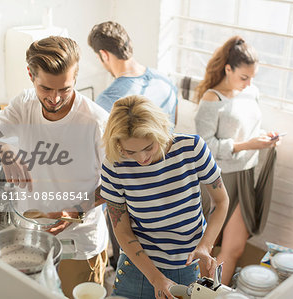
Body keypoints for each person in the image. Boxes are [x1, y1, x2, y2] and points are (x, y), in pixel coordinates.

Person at [0, 36, 109, 298]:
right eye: (46, 89)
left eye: (65, 89)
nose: (55, 98)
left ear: (76, 78)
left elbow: (117, 185)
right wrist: (4, 151)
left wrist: (73, 213)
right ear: (30, 75)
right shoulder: (24, 104)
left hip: (78, 244)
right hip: (31, 237)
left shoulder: (96, 122)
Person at [100, 95, 229, 299]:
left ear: (161, 129)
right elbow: (123, 232)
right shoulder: (114, 165)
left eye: (148, 147)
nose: (141, 158)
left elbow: (221, 201)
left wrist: (205, 245)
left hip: (185, 265)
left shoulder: (192, 149)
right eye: (130, 151)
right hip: (138, 268)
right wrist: (154, 277)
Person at [193, 36, 282, 285]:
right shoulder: (212, 99)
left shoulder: (251, 92)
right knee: (205, 246)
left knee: (234, 248)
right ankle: (199, 290)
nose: (249, 83)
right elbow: (204, 146)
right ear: (228, 69)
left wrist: (265, 138)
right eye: (244, 77)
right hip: (218, 179)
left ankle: (214, 291)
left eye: (252, 77)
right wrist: (247, 145)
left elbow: (251, 128)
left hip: (244, 174)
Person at [88, 21, 178, 125]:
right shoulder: (166, 80)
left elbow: (100, 139)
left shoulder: (107, 100)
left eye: (98, 57)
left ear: (104, 55)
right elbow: (173, 122)